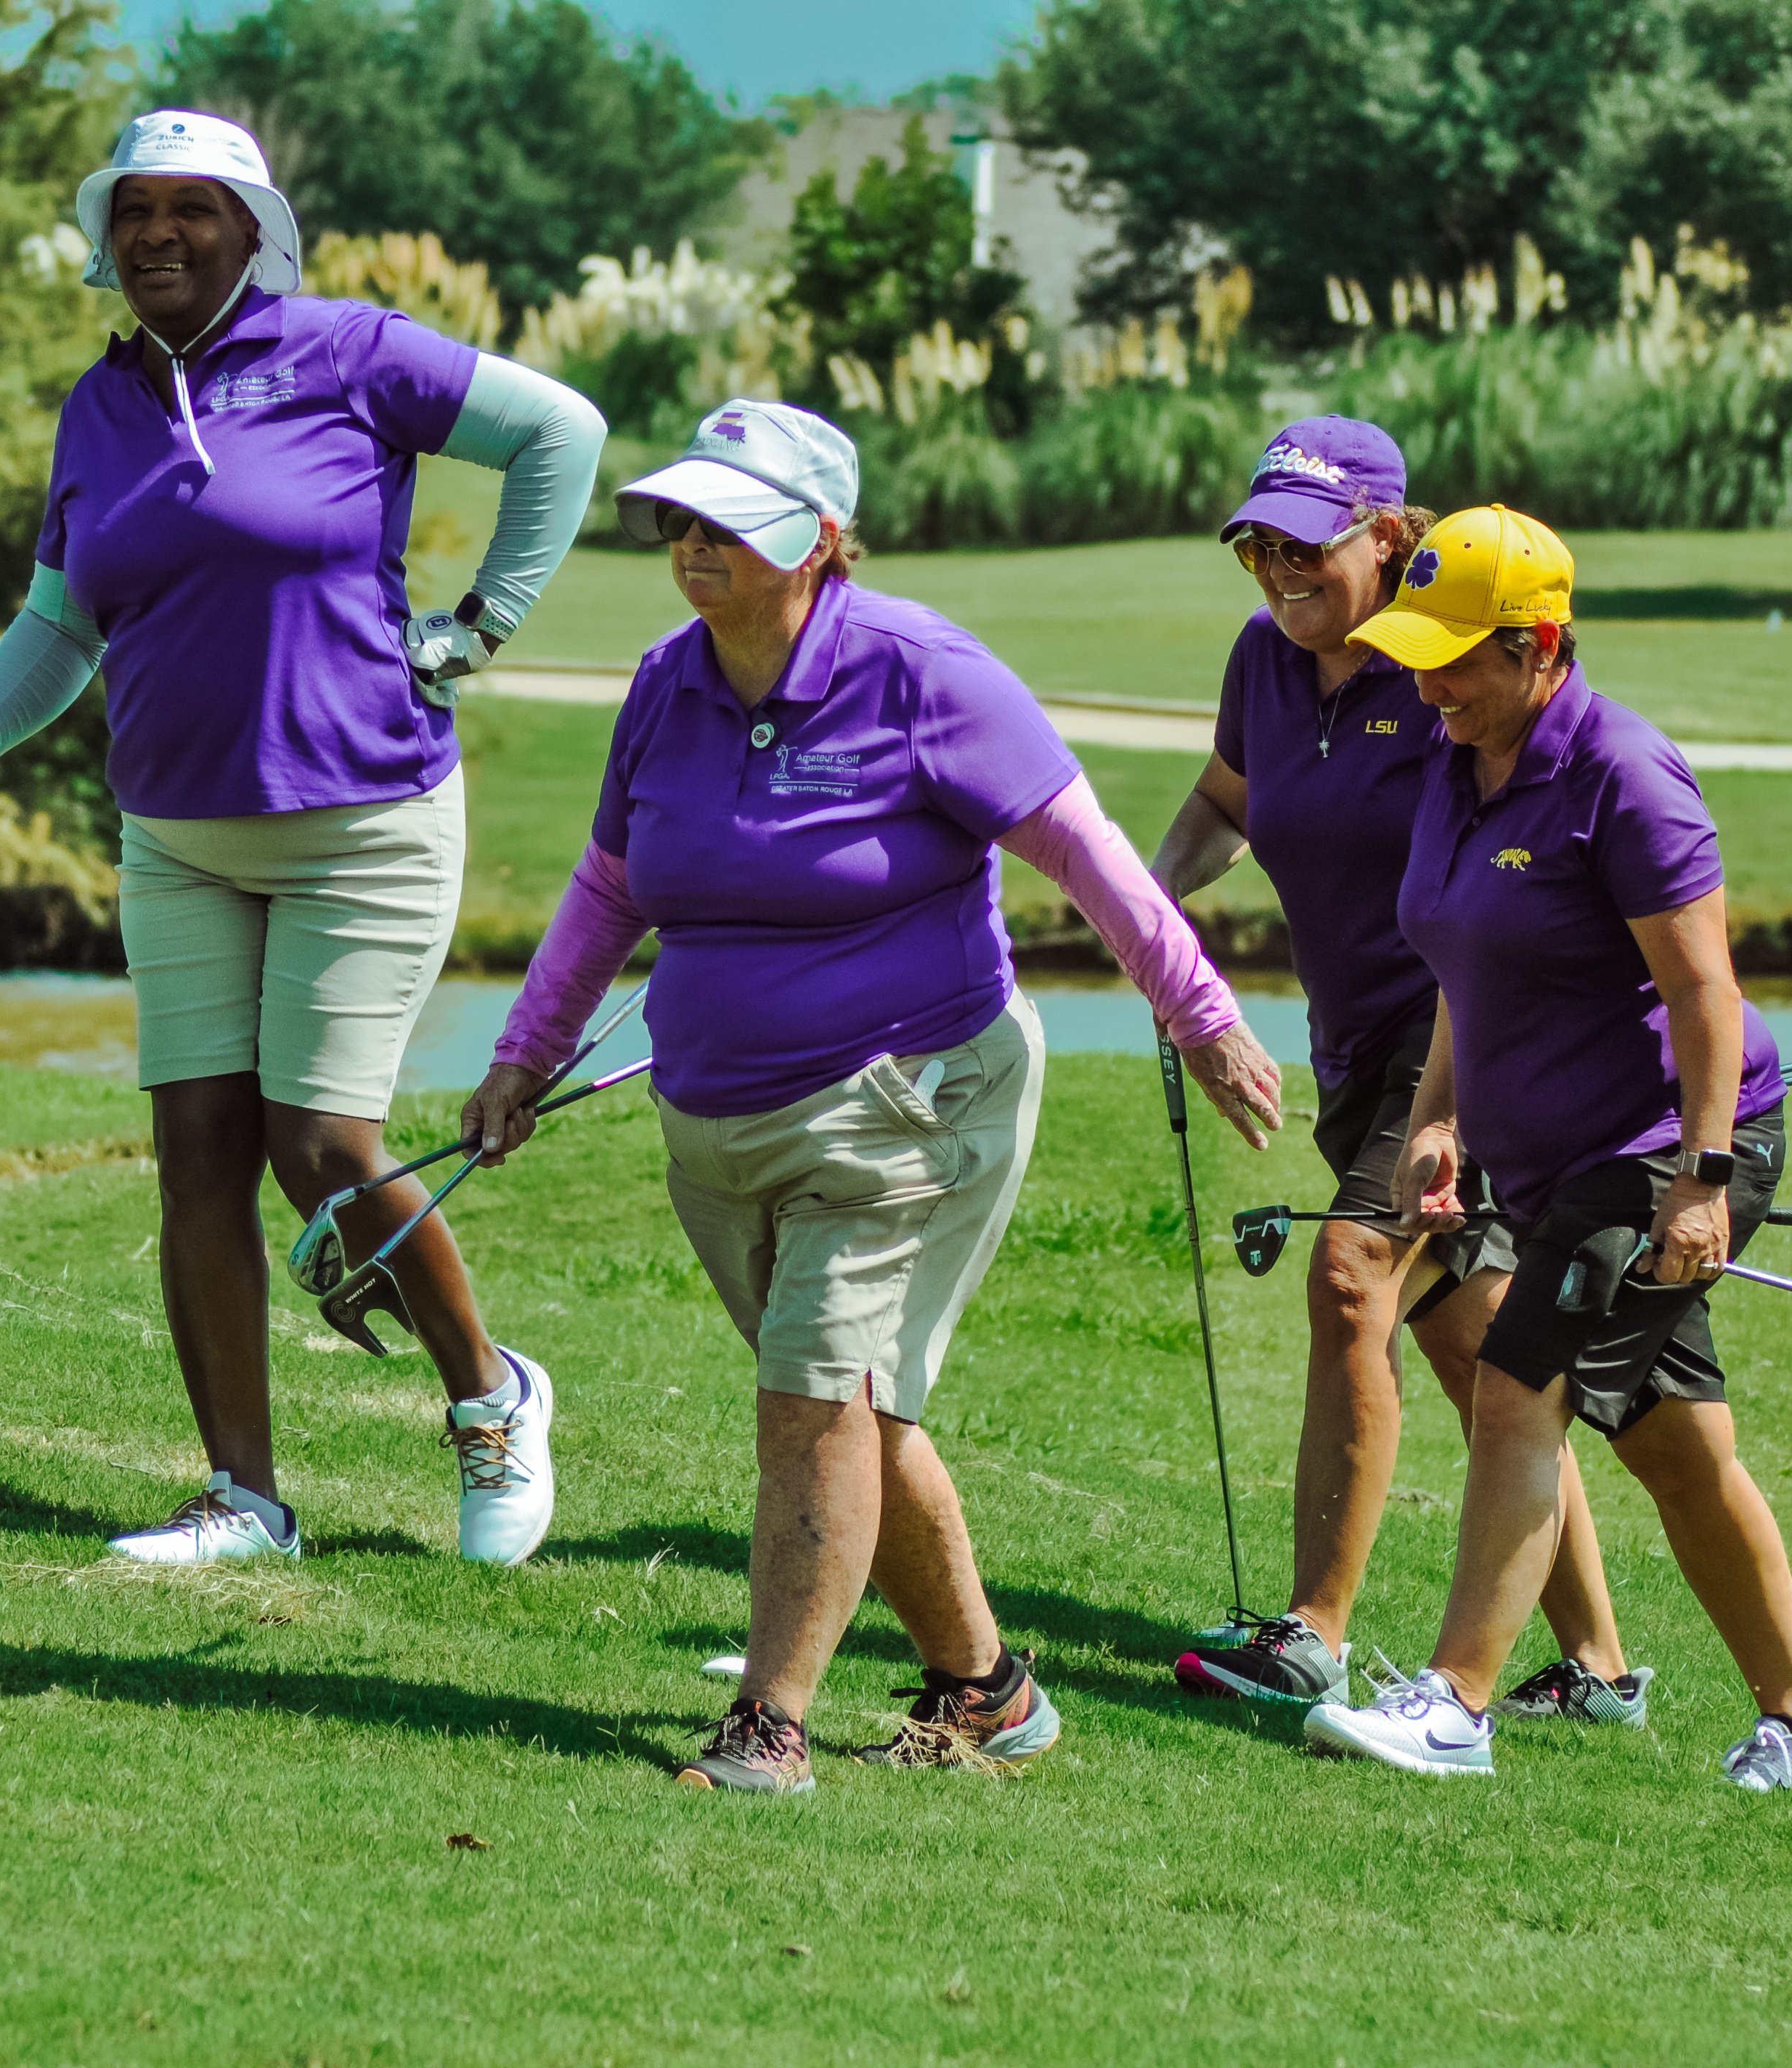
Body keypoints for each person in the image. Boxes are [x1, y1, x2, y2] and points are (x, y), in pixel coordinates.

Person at [465, 400, 1285, 1794]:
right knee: (855, 1410)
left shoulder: (924, 674)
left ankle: (769, 1726)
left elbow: (1086, 856)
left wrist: (1200, 1013)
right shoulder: (668, 684)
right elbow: (612, 887)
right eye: (684, 516)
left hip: (913, 1098)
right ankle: (988, 1689)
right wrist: (522, 1055)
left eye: (734, 521)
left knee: (816, 1399)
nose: (695, 543)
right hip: (718, 1117)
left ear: (822, 543)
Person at [0, 110, 607, 1569]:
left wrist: (479, 626)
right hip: (177, 829)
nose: (157, 231)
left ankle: (490, 1392)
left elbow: (558, 430)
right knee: (195, 1151)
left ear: (250, 228)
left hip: (364, 823)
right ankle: (245, 1496)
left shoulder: (347, 352)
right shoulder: (96, 410)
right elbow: (61, 619)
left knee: (323, 1141)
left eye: (191, 209)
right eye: (134, 208)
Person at [1302, 505, 1792, 1802]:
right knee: (1676, 1446)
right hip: (1562, 1160)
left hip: (1666, 1148)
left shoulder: (1624, 773)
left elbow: (1703, 996)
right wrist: (1440, 1118)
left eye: (1455, 656)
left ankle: (1455, 1705)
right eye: (1419, 650)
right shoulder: (1461, 765)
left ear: (1541, 645)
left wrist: (1707, 1181)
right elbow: (1459, 966)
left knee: (1517, 1392)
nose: (1427, 680)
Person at [1152, 422, 1642, 1726]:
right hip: (1355, 1048)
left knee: (1351, 1277)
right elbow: (1225, 805)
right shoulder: (1266, 661)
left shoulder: (1440, 676)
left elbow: (1503, 882)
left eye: (1305, 544)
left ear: (1387, 536)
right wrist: (1146, 906)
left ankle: (1313, 1632)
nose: (1276, 568)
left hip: (1463, 1042)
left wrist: (1460, 1103)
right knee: (1490, 1351)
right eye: (1257, 543)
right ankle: (1598, 1670)